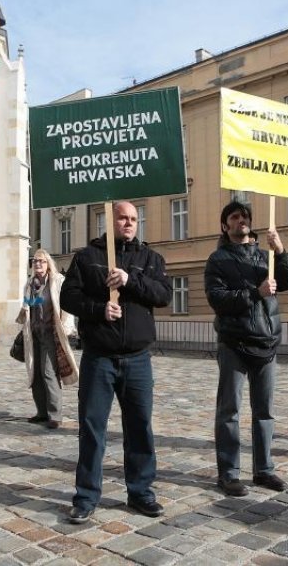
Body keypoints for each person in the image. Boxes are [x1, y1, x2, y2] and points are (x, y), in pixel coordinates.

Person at [60, 201, 171, 524]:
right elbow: (68, 297)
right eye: (123, 217)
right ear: (109, 220)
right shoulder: (87, 257)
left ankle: (140, 492)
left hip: (137, 359)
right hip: (99, 358)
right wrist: (98, 309)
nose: (129, 223)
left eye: (134, 219)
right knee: (92, 428)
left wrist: (129, 281)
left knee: (140, 428)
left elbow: (163, 294)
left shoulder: (150, 258)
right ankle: (86, 496)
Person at [204, 201, 288, 497]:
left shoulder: (265, 257)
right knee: (229, 411)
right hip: (234, 342)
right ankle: (229, 473)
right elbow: (218, 299)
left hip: (266, 343)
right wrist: (254, 293)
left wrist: (280, 250)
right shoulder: (217, 259)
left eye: (244, 216)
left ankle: (264, 470)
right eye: (234, 216)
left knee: (265, 411)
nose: (241, 220)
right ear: (225, 225)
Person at [16, 249, 78, 429]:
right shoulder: (29, 284)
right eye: (35, 261)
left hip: (51, 334)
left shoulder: (58, 281)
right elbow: (28, 306)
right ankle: (41, 412)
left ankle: (55, 415)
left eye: (41, 261)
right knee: (35, 373)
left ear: (48, 263)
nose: (37, 264)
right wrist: (24, 310)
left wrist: (67, 327)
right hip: (33, 333)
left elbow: (66, 307)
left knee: (48, 372)